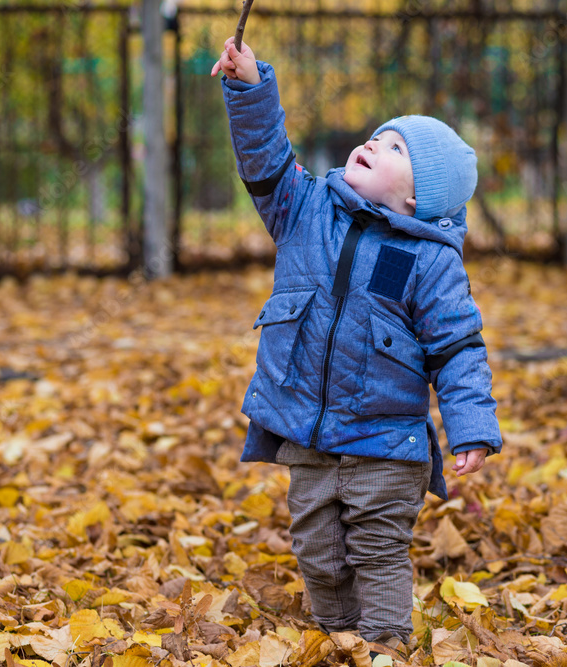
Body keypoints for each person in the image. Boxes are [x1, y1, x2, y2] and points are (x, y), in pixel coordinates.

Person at [212, 37, 502, 660]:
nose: (373, 143)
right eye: (377, 136)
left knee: (375, 547)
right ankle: (338, 638)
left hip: (384, 441)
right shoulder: (305, 209)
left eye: (397, 148)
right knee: (317, 549)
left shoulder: (430, 261)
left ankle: (387, 644)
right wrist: (250, 85)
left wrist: (470, 425)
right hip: (308, 432)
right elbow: (264, 160)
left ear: (420, 198)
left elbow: (457, 348)